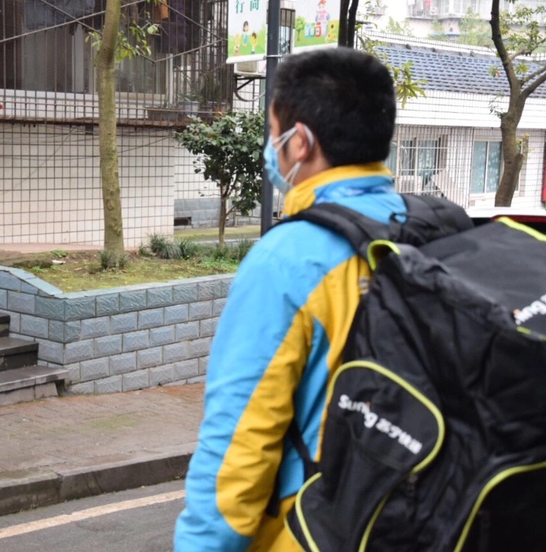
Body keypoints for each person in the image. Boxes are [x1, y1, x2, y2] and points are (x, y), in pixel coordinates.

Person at [174, 48, 401, 551]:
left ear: (300, 143)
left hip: (316, 531)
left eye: (272, 132)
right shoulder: (424, 230)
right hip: (411, 521)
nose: (269, 147)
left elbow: (239, 444)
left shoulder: (289, 260)